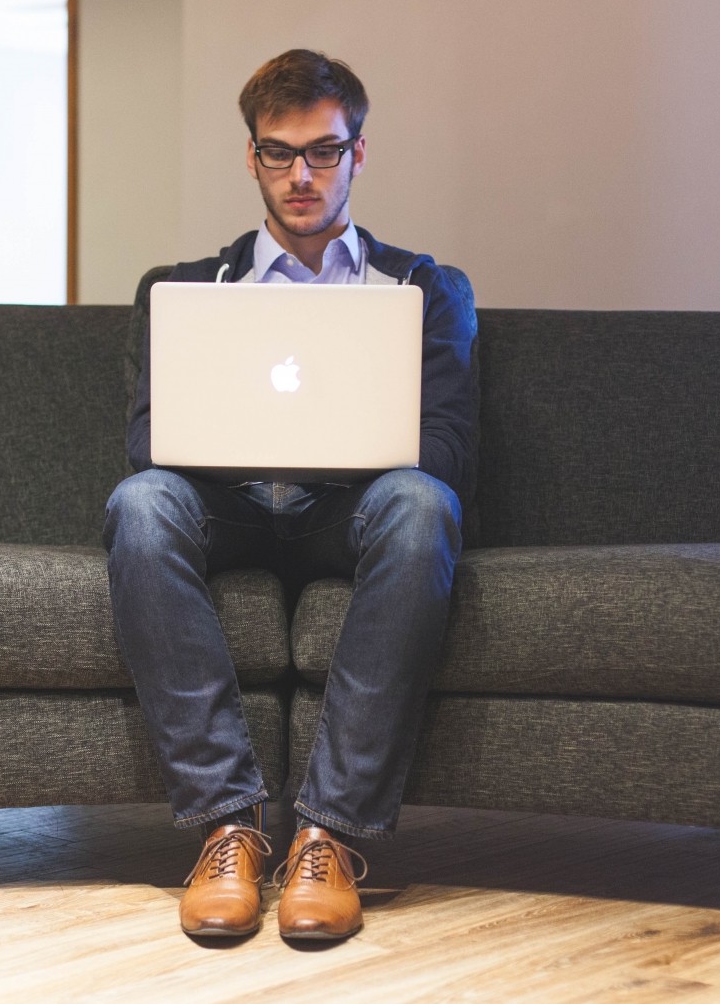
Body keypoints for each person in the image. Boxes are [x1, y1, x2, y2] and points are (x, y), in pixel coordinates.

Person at [103, 49, 478, 941]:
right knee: (140, 503)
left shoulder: (425, 289)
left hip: (352, 516)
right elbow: (146, 442)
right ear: (251, 156)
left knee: (423, 505)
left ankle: (328, 836)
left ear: (359, 152)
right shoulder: (182, 291)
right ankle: (227, 827)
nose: (301, 174)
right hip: (230, 506)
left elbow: (449, 453)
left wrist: (335, 450)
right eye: (279, 152)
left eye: (323, 150)